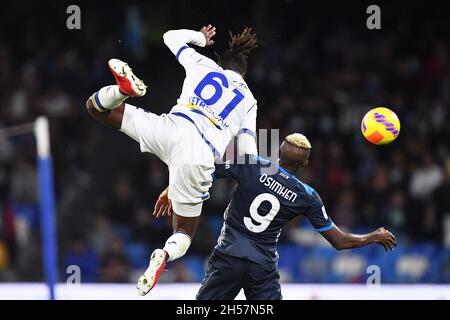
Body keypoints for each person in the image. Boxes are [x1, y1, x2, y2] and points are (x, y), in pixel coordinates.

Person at [85, 24, 259, 295]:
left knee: (96, 108)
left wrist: (200, 38)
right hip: (201, 153)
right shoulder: (248, 99)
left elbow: (169, 37)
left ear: (222, 63)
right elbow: (247, 152)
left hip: (171, 127)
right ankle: (163, 255)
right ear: (244, 74)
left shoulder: (204, 64)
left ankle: (122, 91)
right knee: (184, 233)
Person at [154, 133, 397, 300]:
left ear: (278, 153)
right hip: (262, 268)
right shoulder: (307, 196)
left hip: (228, 257)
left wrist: (173, 188)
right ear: (305, 164)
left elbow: (204, 171)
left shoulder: (252, 164)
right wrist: (373, 236)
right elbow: (339, 241)